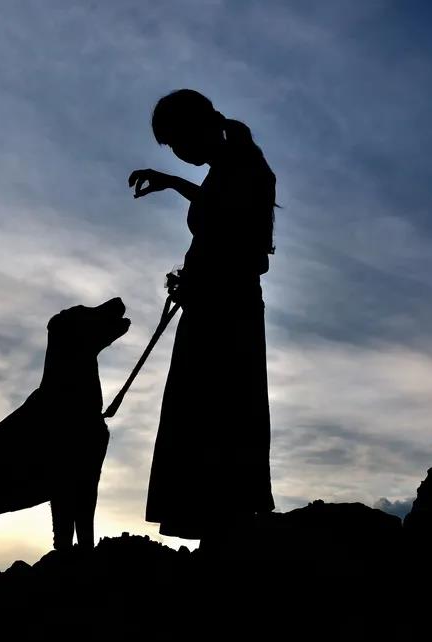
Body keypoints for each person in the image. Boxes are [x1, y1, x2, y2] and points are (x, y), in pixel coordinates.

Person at [129, 89, 277, 548]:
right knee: (214, 409)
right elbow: (222, 216)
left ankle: (224, 524)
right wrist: (173, 183)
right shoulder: (231, 167)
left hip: (224, 307)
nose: (178, 152)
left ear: (198, 129)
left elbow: (240, 237)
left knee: (216, 408)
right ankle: (221, 524)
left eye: (177, 142)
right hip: (219, 302)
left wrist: (202, 277)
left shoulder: (243, 167)